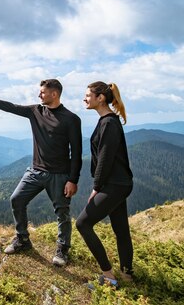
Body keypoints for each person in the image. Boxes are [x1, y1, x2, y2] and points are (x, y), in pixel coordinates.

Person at [0, 79, 82, 266]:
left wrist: (73, 180)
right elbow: (11, 107)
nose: (39, 95)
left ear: (54, 94)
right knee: (16, 199)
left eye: (43, 92)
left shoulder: (71, 119)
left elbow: (77, 151)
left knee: (62, 212)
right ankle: (22, 239)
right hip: (36, 171)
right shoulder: (35, 111)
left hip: (60, 175)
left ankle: (62, 250)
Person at [76, 81, 134, 287]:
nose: (84, 99)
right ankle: (127, 274)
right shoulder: (107, 121)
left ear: (100, 97)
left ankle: (109, 277)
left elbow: (105, 158)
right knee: (121, 229)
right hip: (119, 183)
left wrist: (96, 187)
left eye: (88, 95)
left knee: (82, 223)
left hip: (114, 184)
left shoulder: (108, 123)